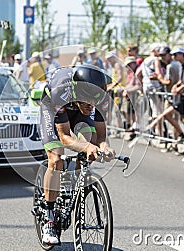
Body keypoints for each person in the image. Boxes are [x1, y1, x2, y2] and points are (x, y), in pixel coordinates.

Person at [39, 64, 115, 245]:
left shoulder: (99, 99)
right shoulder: (61, 91)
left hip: (76, 112)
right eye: (88, 103)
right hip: (52, 110)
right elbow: (64, 136)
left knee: (90, 141)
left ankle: (76, 187)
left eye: (95, 103)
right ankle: (49, 217)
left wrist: (104, 147)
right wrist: (87, 147)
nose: (92, 106)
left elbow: (101, 136)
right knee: (56, 159)